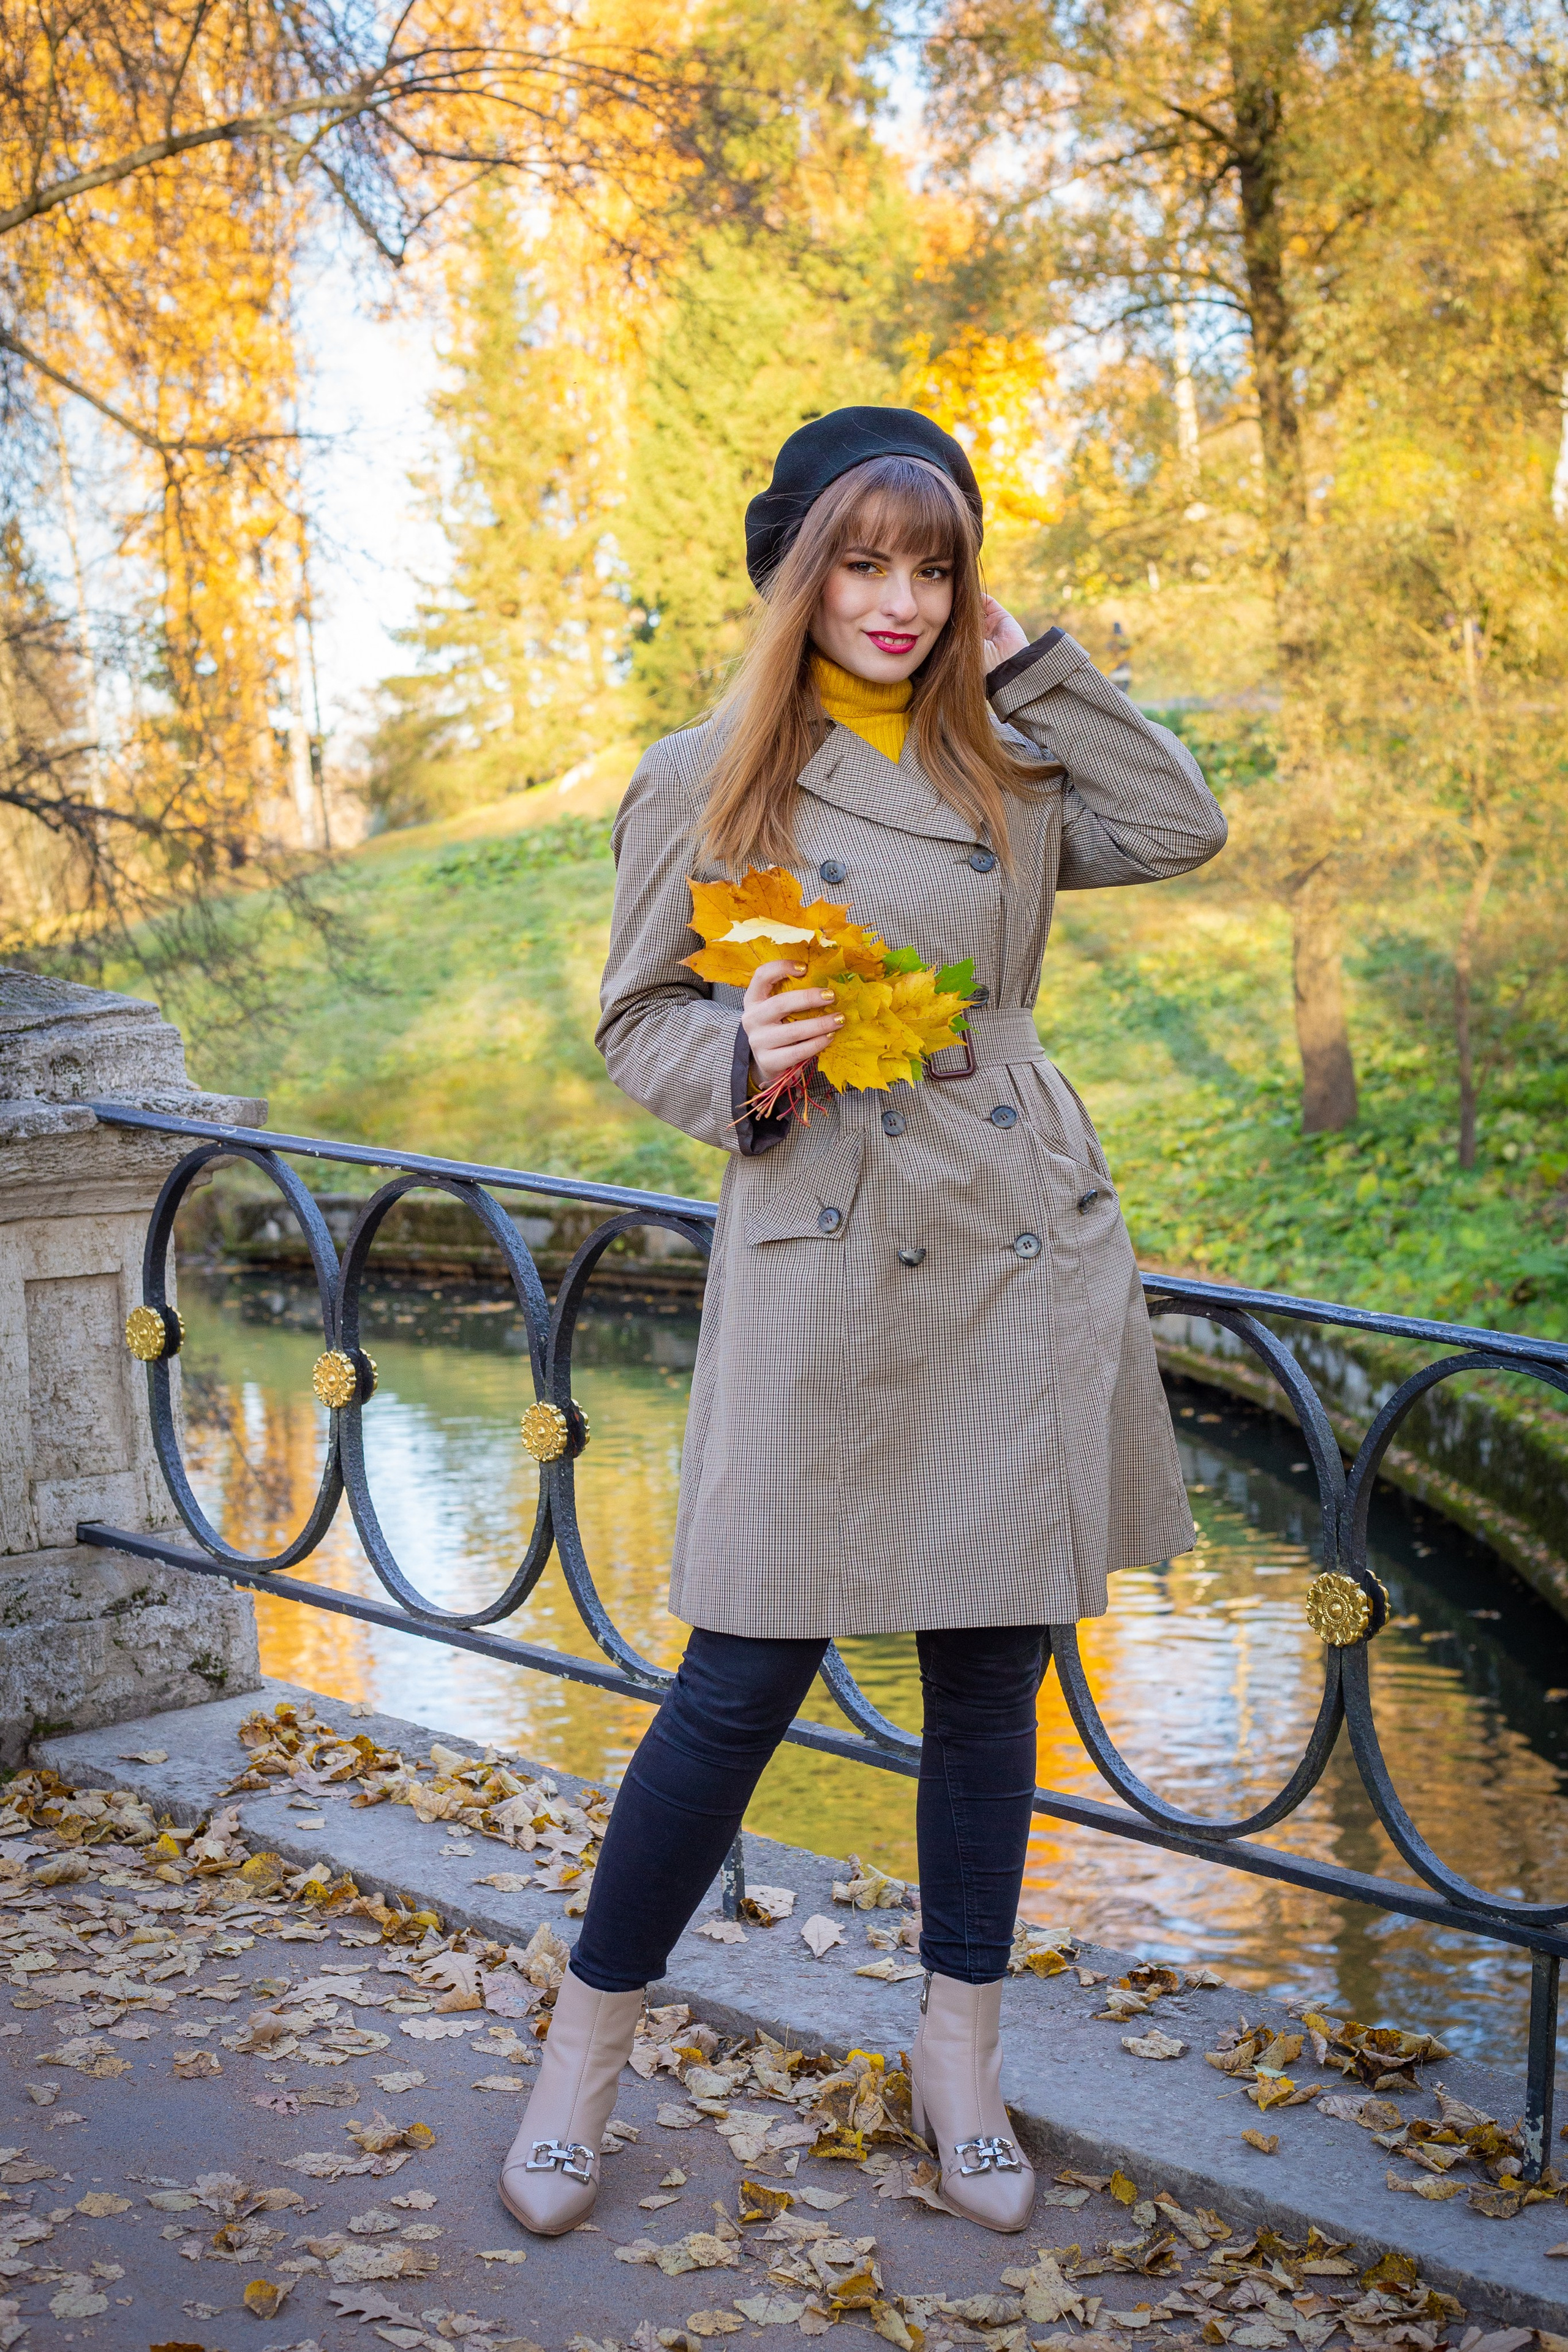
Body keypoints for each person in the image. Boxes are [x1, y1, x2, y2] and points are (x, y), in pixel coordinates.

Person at [499, 406, 1227, 2239]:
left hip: (1012, 1243)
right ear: (798, 571)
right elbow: (631, 1018)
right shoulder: (709, 774)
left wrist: (1034, 660)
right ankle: (585, 2047)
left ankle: (961, 2055)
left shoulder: (1011, 757)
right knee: (740, 1677)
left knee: (990, 1683)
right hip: (824, 1236)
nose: (900, 601)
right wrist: (736, 1058)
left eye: (935, 565)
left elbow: (1185, 823)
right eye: (864, 560)